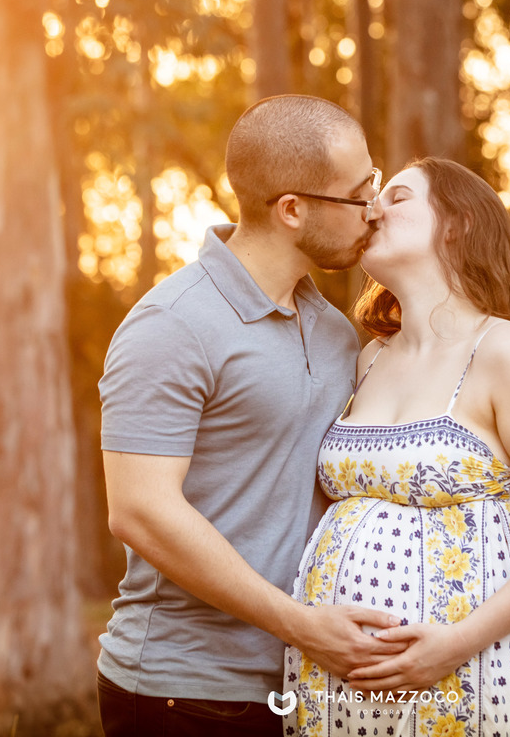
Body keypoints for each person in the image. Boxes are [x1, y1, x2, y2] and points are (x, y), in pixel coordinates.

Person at [95, 95, 404, 736]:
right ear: (292, 210)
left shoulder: (332, 332)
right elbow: (139, 511)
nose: (374, 208)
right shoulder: (172, 325)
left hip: (302, 682)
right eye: (359, 193)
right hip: (184, 691)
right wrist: (300, 624)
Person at [283, 157, 510, 737]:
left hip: (471, 671)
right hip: (339, 687)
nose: (372, 209)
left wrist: (455, 644)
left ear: (457, 224)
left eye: (397, 196)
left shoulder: (503, 353)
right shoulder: (369, 359)